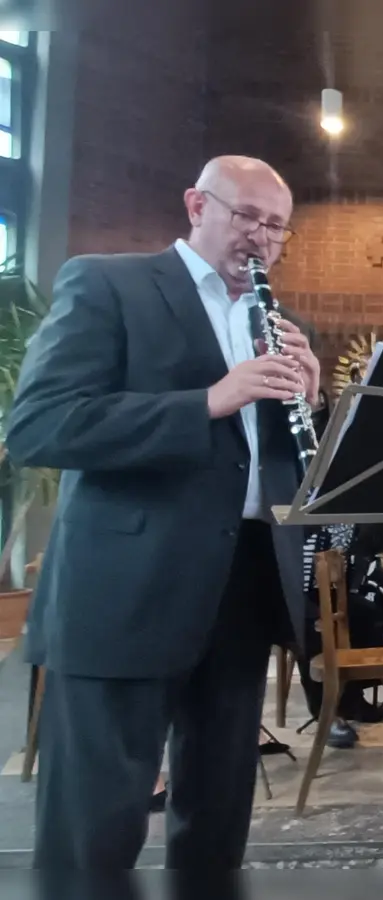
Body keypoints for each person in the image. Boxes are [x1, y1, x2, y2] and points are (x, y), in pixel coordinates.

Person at [9, 156, 318, 868]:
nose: (262, 238)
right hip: (125, 588)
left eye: (276, 227)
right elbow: (41, 426)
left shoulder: (282, 322)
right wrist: (210, 400)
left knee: (217, 818)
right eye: (247, 217)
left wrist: (313, 400)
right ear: (195, 205)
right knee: (95, 824)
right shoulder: (108, 284)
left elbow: (284, 465)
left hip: (241, 583)